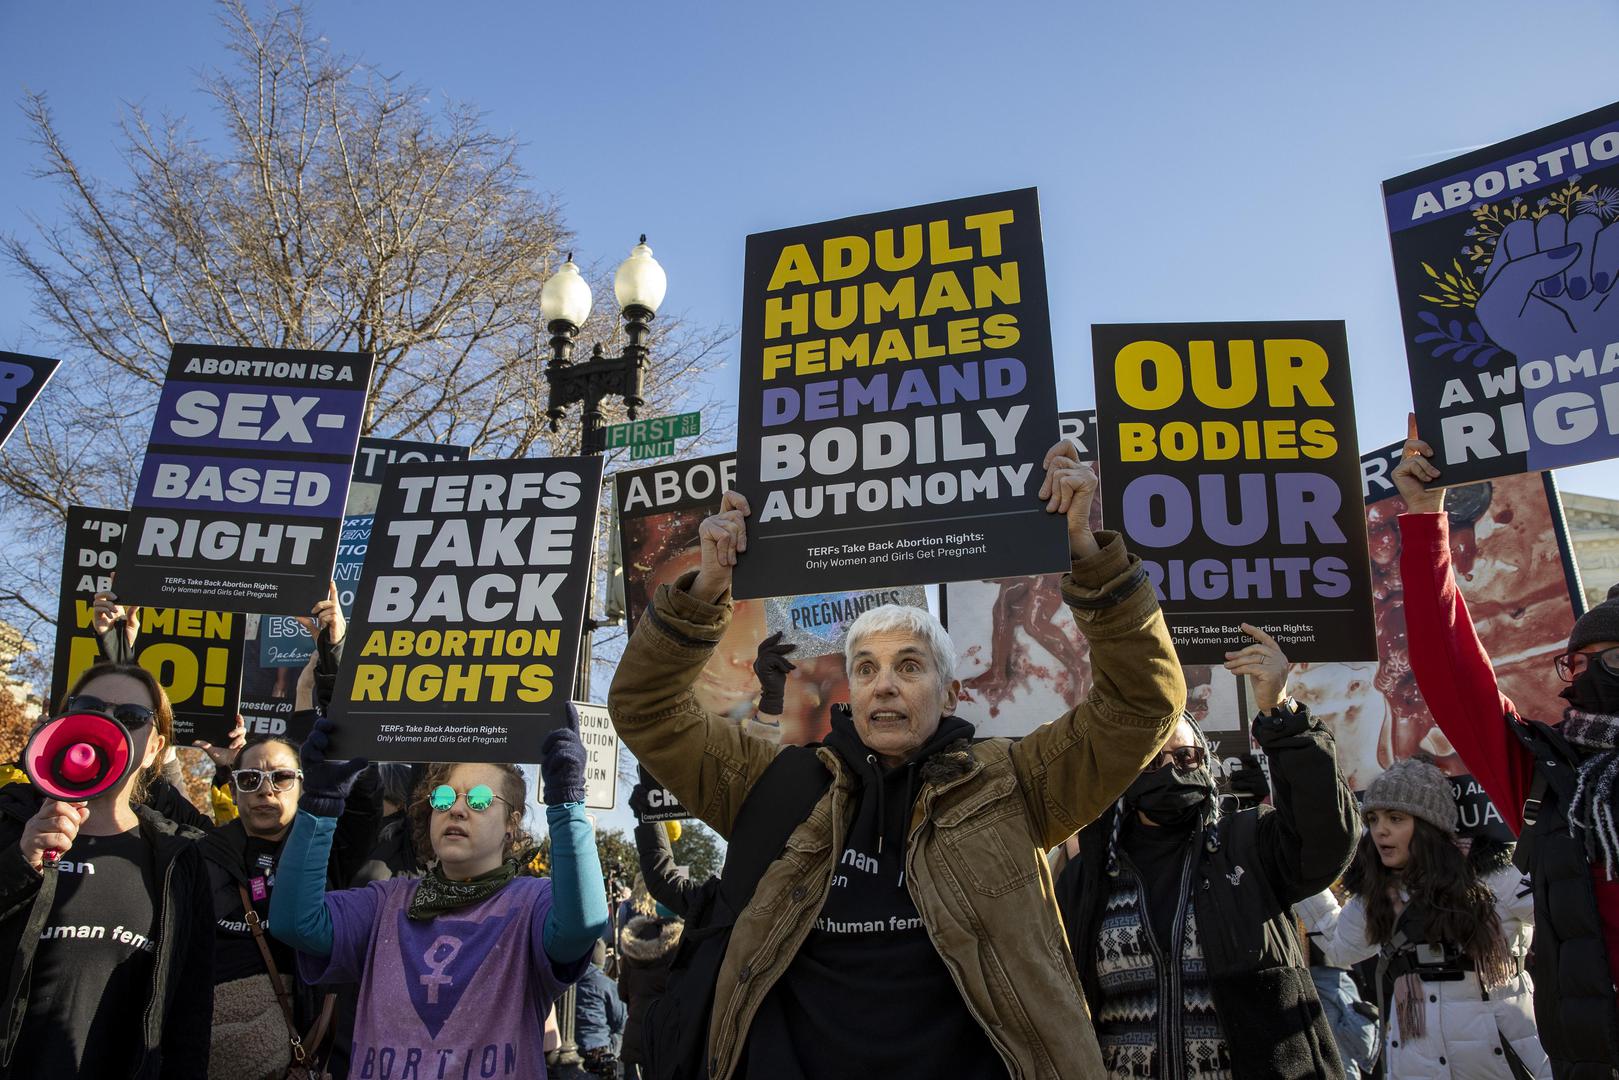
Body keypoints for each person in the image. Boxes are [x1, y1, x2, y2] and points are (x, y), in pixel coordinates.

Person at [607, 441, 1186, 1079]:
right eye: (866, 669)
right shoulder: (772, 784)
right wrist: (709, 588)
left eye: (909, 667)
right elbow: (644, 707)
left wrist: (1086, 551)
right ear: (851, 692)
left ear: (950, 691)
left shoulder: (1016, 783)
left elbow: (1144, 701)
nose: (884, 685)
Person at [1394, 429, 1619, 1077]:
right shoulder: (1551, 781)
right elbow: (1450, 672)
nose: (1598, 675)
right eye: (1583, 663)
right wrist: (1423, 520)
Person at [1055, 624, 1359, 1078]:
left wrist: (1281, 710)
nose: (1171, 770)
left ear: (1206, 761)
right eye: (1152, 761)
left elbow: (1326, 839)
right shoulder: (1090, 876)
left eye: (1185, 758)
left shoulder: (1247, 845)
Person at [270, 711, 609, 1075]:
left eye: (480, 800)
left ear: (511, 825)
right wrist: (318, 806)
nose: (458, 809)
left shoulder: (531, 904)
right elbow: (295, 923)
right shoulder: (385, 902)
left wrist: (568, 805)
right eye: (444, 798)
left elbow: (582, 925)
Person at [0, 663, 214, 1078]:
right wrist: (19, 862)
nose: (107, 723)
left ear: (154, 748)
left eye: (132, 717)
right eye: (90, 707)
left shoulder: (177, 860)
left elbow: (189, 1012)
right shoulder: (10, 821)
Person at [1299, 757, 1550, 1077]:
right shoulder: (1379, 894)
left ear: (1430, 824)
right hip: (1416, 1062)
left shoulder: (1498, 876)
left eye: (1395, 818)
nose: (1381, 830)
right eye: (1373, 819)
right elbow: (1342, 948)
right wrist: (1303, 880)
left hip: (1504, 1061)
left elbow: (1569, 917)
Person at [574, 940, 628, 1077]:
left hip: (571, 1050)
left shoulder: (567, 981)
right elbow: (621, 1020)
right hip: (599, 1052)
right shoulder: (606, 985)